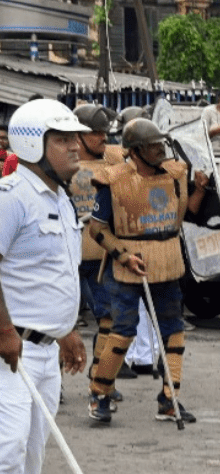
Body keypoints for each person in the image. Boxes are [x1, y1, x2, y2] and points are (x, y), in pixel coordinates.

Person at [0, 100, 92, 474]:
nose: (75, 144)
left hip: (42, 349)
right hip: (9, 351)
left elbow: (52, 274)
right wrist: (4, 330)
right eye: (62, 138)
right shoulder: (11, 197)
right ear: (33, 142)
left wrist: (66, 332)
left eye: (74, 137)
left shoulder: (60, 197)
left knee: (33, 444)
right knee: (6, 443)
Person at [87, 119, 209, 424]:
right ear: (138, 150)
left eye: (161, 144)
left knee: (174, 331)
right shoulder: (112, 180)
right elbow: (97, 229)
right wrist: (124, 255)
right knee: (123, 330)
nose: (160, 150)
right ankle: (100, 394)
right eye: (153, 145)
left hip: (167, 262)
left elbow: (186, 214)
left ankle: (170, 400)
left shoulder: (176, 174)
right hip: (128, 263)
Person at [67, 105, 124, 382]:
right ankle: (54, 380)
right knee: (56, 321)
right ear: (78, 136)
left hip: (99, 256)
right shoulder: (62, 165)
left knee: (108, 318)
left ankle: (99, 377)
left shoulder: (112, 163)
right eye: (96, 133)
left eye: (105, 132)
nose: (103, 138)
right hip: (67, 254)